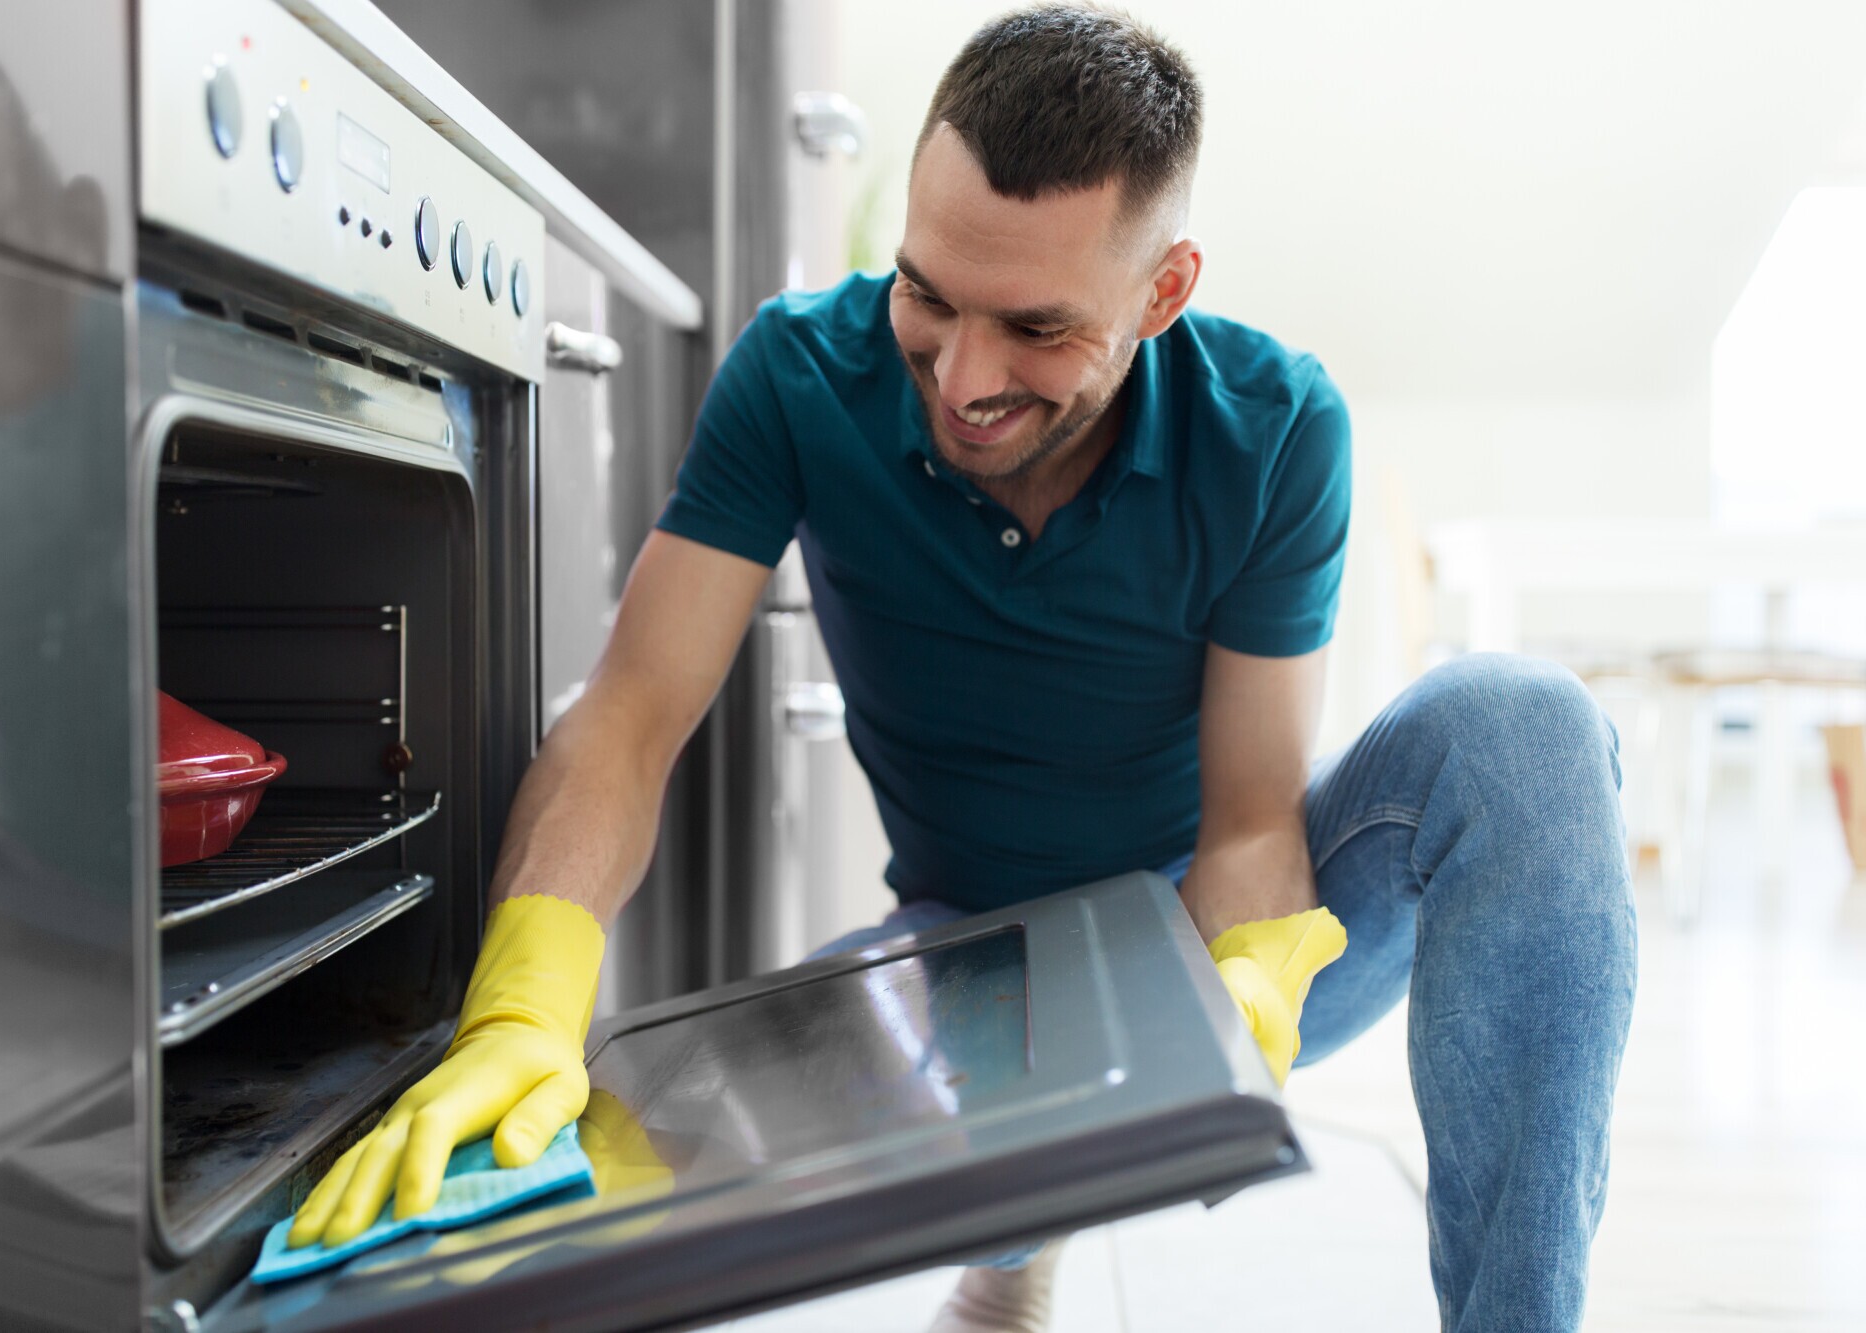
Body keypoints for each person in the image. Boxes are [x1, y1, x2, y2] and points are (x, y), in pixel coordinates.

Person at [287, 6, 1637, 1330]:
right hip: (957, 961)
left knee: (1525, 726)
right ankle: (1012, 1250)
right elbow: (630, 718)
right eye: (927, 294)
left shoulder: (1274, 429)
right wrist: (522, 1003)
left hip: (1202, 935)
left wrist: (1231, 995)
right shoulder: (799, 375)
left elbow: (1249, 827)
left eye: (1038, 328)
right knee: (617, 1203)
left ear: (1162, 291)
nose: (964, 374)